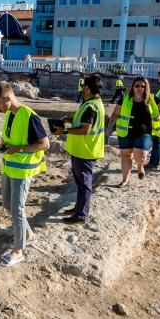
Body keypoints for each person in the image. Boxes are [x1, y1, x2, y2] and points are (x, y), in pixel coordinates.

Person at [0, 81, 49, 267]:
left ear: (8, 97)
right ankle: (29, 234)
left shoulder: (29, 116)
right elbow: (12, 138)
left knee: (17, 209)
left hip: (22, 171)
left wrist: (20, 148)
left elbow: (45, 144)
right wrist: (6, 146)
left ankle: (18, 250)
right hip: (9, 166)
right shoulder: (10, 114)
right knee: (7, 204)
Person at [55, 75, 105, 224]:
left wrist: (64, 130)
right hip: (82, 150)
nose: (81, 90)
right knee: (80, 183)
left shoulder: (91, 106)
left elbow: (85, 129)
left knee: (84, 184)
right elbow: (82, 122)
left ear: (88, 88)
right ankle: (78, 208)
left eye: (83, 87)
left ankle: (81, 214)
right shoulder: (93, 103)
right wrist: (70, 121)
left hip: (85, 151)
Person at [107, 76, 160, 187]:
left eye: (142, 86)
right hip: (126, 132)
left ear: (146, 87)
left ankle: (140, 166)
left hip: (143, 133)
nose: (139, 88)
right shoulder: (125, 98)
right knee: (126, 156)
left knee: (140, 156)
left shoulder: (152, 98)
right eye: (137, 86)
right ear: (133, 87)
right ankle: (125, 180)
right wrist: (109, 126)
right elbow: (116, 113)